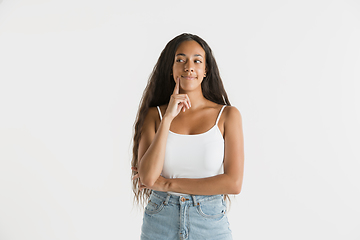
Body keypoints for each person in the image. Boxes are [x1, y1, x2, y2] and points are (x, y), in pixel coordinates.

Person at [131, 33, 244, 240]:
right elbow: (147, 177)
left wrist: (167, 184)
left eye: (197, 61)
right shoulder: (154, 116)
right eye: (180, 60)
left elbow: (233, 183)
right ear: (171, 69)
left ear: (205, 70)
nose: (188, 66)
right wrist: (168, 119)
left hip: (209, 222)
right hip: (160, 221)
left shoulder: (227, 116)